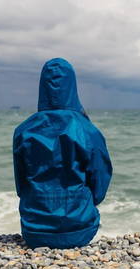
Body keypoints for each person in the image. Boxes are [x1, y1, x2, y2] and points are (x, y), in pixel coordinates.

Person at [13, 58, 113, 249]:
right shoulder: (87, 129)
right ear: (72, 86)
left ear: (42, 87)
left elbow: (21, 186)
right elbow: (100, 181)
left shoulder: (23, 130)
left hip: (33, 232)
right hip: (80, 230)